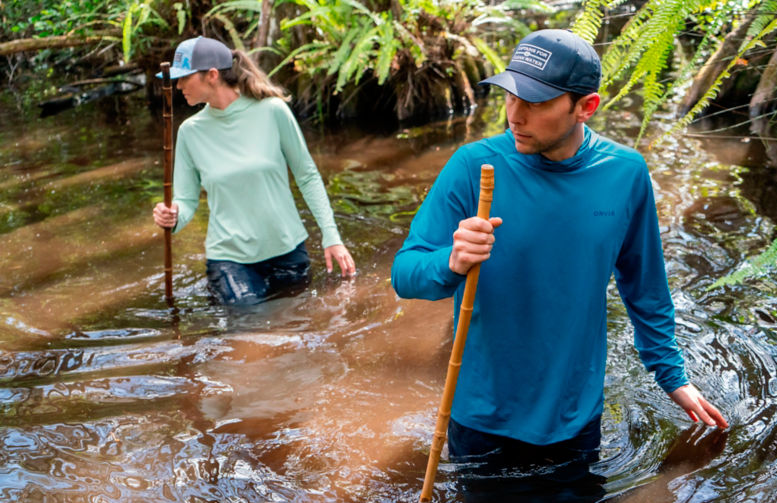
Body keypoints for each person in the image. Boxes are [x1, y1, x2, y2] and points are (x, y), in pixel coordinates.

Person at [391, 29, 728, 467]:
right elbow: (405, 274)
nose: (515, 115)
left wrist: (672, 376)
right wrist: (450, 261)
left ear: (586, 107)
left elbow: (644, 287)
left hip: (574, 416)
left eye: (536, 102)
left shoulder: (625, 175)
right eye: (511, 96)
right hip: (478, 418)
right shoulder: (474, 168)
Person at [153, 36, 355, 305]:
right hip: (229, 260)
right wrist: (173, 215)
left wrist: (331, 236)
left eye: (184, 78)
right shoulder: (190, 132)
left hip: (287, 250)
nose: (177, 86)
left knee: (295, 326)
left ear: (212, 75)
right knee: (249, 329)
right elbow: (187, 201)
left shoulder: (273, 111)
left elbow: (307, 176)